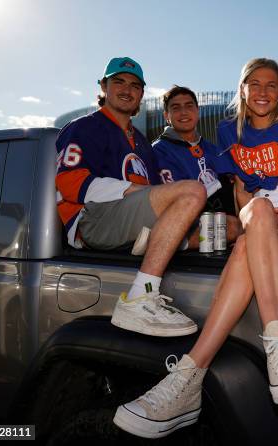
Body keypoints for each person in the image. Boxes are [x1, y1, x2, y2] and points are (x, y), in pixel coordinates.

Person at [113, 58, 278, 439]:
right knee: (253, 223)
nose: (263, 91)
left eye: (272, 85)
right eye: (254, 83)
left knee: (252, 234)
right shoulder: (230, 131)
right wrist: (255, 214)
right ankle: (273, 345)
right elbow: (242, 191)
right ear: (242, 88)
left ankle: (189, 375)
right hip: (258, 213)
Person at [55, 57, 203, 337]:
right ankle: (141, 297)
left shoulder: (141, 140)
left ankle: (162, 242)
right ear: (103, 86)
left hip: (129, 221)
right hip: (93, 221)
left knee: (223, 227)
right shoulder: (85, 126)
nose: (127, 89)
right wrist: (132, 189)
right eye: (118, 82)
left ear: (141, 94)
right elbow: (68, 182)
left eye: (134, 85)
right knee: (193, 190)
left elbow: (161, 196)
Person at [150, 85, 242, 250]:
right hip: (186, 221)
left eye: (189, 106)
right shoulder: (158, 150)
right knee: (235, 227)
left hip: (220, 217)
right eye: (176, 108)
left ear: (197, 111)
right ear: (166, 116)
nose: (184, 112)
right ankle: (178, 242)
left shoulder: (212, 149)